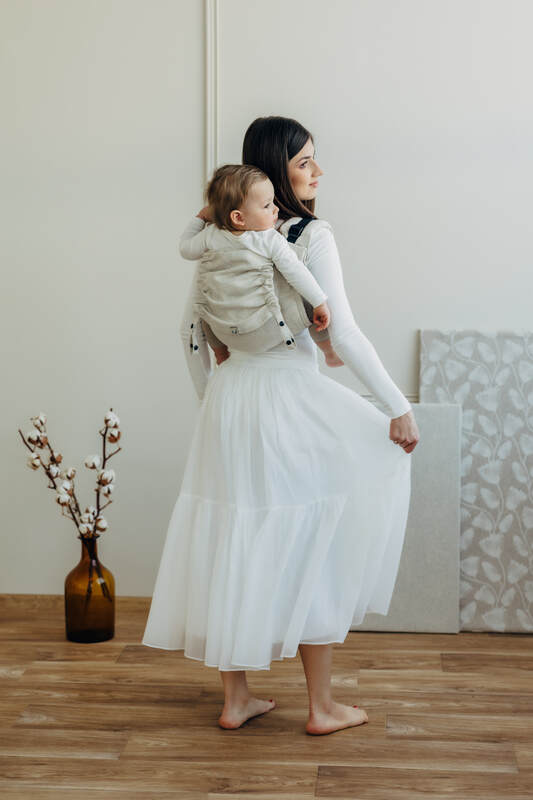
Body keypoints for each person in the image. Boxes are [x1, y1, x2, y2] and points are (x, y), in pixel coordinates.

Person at [142, 115, 420, 736]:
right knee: (311, 533)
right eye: (303, 162)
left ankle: (236, 699)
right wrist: (396, 405)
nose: (318, 172)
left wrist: (210, 402)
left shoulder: (220, 236)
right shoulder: (307, 235)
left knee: (233, 533)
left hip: (230, 400)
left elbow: (190, 332)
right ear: (274, 170)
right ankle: (322, 707)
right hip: (288, 398)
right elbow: (342, 329)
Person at [179, 163, 343, 367]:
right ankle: (329, 351)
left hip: (224, 334)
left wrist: (200, 218)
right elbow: (296, 271)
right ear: (238, 217)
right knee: (308, 299)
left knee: (205, 307)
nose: (275, 209)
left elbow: (185, 249)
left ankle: (221, 357)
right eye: (267, 206)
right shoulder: (268, 239)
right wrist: (319, 303)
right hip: (262, 331)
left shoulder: (210, 235)